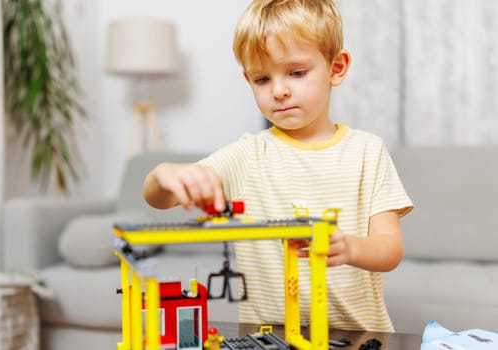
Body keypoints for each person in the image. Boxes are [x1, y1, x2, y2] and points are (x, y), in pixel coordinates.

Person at [143, 0, 413, 332]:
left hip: (357, 336)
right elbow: (158, 198)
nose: (280, 91)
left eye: (297, 73)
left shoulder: (367, 151)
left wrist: (351, 246)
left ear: (336, 67)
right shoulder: (247, 154)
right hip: (269, 338)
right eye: (262, 79)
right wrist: (164, 175)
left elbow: (390, 249)